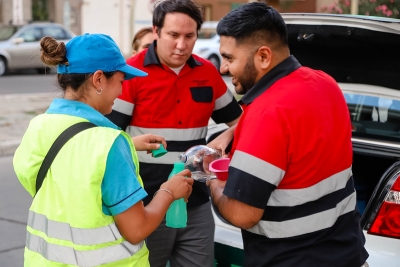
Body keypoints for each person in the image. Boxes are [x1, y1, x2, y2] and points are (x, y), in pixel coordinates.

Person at [207, 2, 369, 267]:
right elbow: (294, 124)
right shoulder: (324, 83)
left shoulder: (267, 113)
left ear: (263, 56)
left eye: (230, 58)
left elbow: (242, 213)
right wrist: (235, 132)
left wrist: (213, 181)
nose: (224, 68)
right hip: (348, 255)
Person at [13, 33, 194, 267]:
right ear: (99, 79)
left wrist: (128, 144)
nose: (121, 92)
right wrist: (168, 192)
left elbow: (64, 176)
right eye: (120, 81)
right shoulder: (110, 144)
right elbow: (137, 229)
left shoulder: (38, 126)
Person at [105, 0, 243, 265]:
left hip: (197, 203)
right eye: (173, 35)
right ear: (156, 31)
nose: (181, 45)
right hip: (143, 205)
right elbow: (106, 140)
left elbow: (242, 122)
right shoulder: (131, 74)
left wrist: (227, 136)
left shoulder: (208, 73)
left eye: (189, 36)